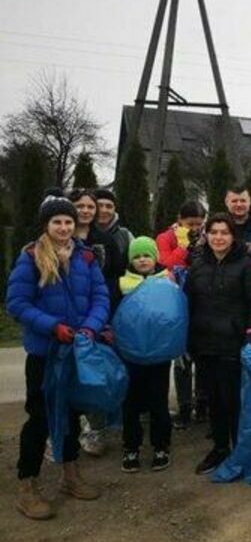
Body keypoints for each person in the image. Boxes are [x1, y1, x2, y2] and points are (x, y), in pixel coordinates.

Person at [6, 196, 110, 520]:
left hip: (77, 350)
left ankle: (70, 475)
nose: (64, 228)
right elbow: (17, 303)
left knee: (71, 413)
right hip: (46, 352)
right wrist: (53, 327)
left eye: (68, 222)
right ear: (46, 226)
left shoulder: (86, 257)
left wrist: (90, 328)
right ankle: (27, 485)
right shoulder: (31, 257)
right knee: (40, 417)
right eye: (57, 223)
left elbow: (100, 297)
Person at [184, 213, 251, 475]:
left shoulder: (247, 265)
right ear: (206, 235)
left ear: (233, 236)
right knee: (213, 400)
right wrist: (184, 340)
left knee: (233, 401)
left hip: (233, 344)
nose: (218, 237)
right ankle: (220, 448)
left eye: (224, 232)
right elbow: (188, 304)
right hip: (204, 343)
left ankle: (240, 448)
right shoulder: (197, 266)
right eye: (214, 232)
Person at [69, 188, 125, 457]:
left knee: (95, 374)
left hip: (99, 316)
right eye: (80, 206)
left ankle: (96, 427)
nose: (88, 211)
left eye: (91, 207)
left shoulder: (104, 241)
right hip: (66, 318)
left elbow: (113, 281)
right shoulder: (57, 238)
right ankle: (66, 428)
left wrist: (105, 320)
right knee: (66, 375)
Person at [118, 237, 173, 474]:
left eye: (146, 255)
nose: (142, 260)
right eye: (137, 256)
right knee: (130, 402)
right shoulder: (122, 283)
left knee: (158, 401)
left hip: (159, 352)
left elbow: (174, 312)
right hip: (130, 352)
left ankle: (161, 446)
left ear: (155, 257)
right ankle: (131, 447)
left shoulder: (167, 280)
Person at [156, 200, 207, 429]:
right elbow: (165, 263)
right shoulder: (166, 237)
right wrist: (184, 245)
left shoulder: (207, 236)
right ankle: (185, 406)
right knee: (181, 357)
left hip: (202, 302)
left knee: (203, 355)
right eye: (191, 224)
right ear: (180, 220)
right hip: (176, 301)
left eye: (199, 223)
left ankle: (203, 403)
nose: (195, 228)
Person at [93, 189, 133, 266]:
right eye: (99, 205)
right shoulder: (82, 233)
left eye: (109, 206)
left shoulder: (125, 236)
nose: (104, 210)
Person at [225, 185, 251, 252]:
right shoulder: (219, 225)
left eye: (243, 201)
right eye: (234, 201)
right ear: (226, 202)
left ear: (249, 201)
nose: (239, 204)